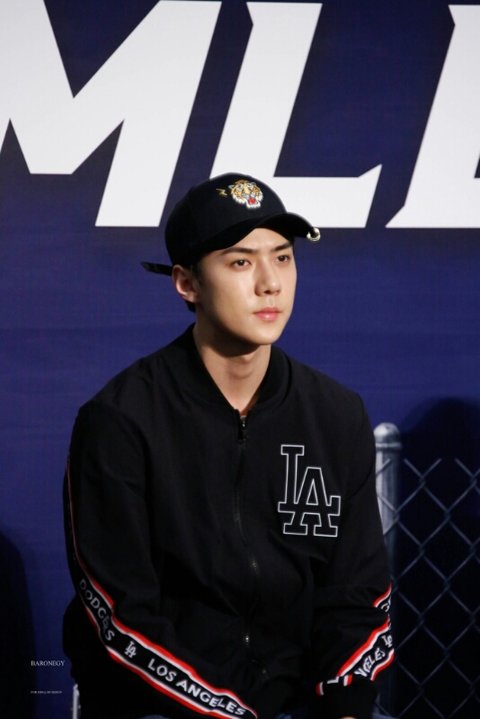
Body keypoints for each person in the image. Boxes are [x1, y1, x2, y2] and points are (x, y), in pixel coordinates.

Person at [63, 173, 394, 719]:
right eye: (241, 262)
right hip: (162, 705)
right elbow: (120, 616)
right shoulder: (120, 421)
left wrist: (344, 707)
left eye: (283, 257)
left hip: (302, 706)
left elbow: (357, 597)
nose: (270, 283)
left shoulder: (335, 415)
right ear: (186, 283)